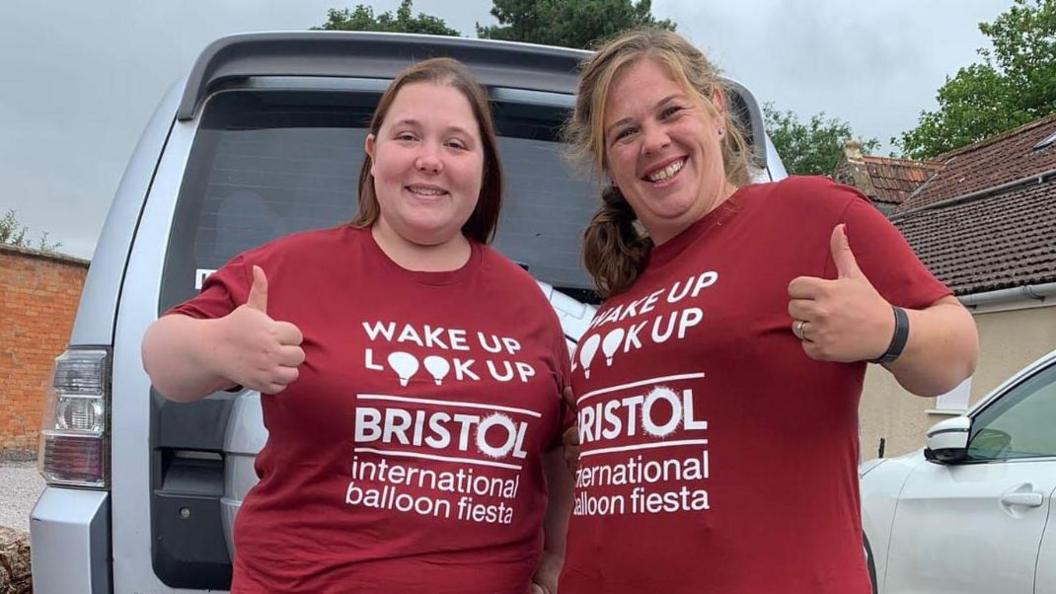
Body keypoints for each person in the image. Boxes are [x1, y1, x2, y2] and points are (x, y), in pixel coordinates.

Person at [557, 29, 978, 594]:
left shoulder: (807, 213)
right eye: (626, 132)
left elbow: (958, 349)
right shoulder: (625, 290)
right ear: (609, 161)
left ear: (714, 109)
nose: (653, 141)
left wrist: (888, 331)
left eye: (670, 112)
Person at [141, 58, 572, 594]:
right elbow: (162, 359)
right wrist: (216, 346)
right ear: (373, 153)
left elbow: (554, 450)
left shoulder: (525, 302)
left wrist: (555, 561)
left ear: (483, 166)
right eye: (408, 136)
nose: (430, 160)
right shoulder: (291, 268)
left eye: (457, 144)